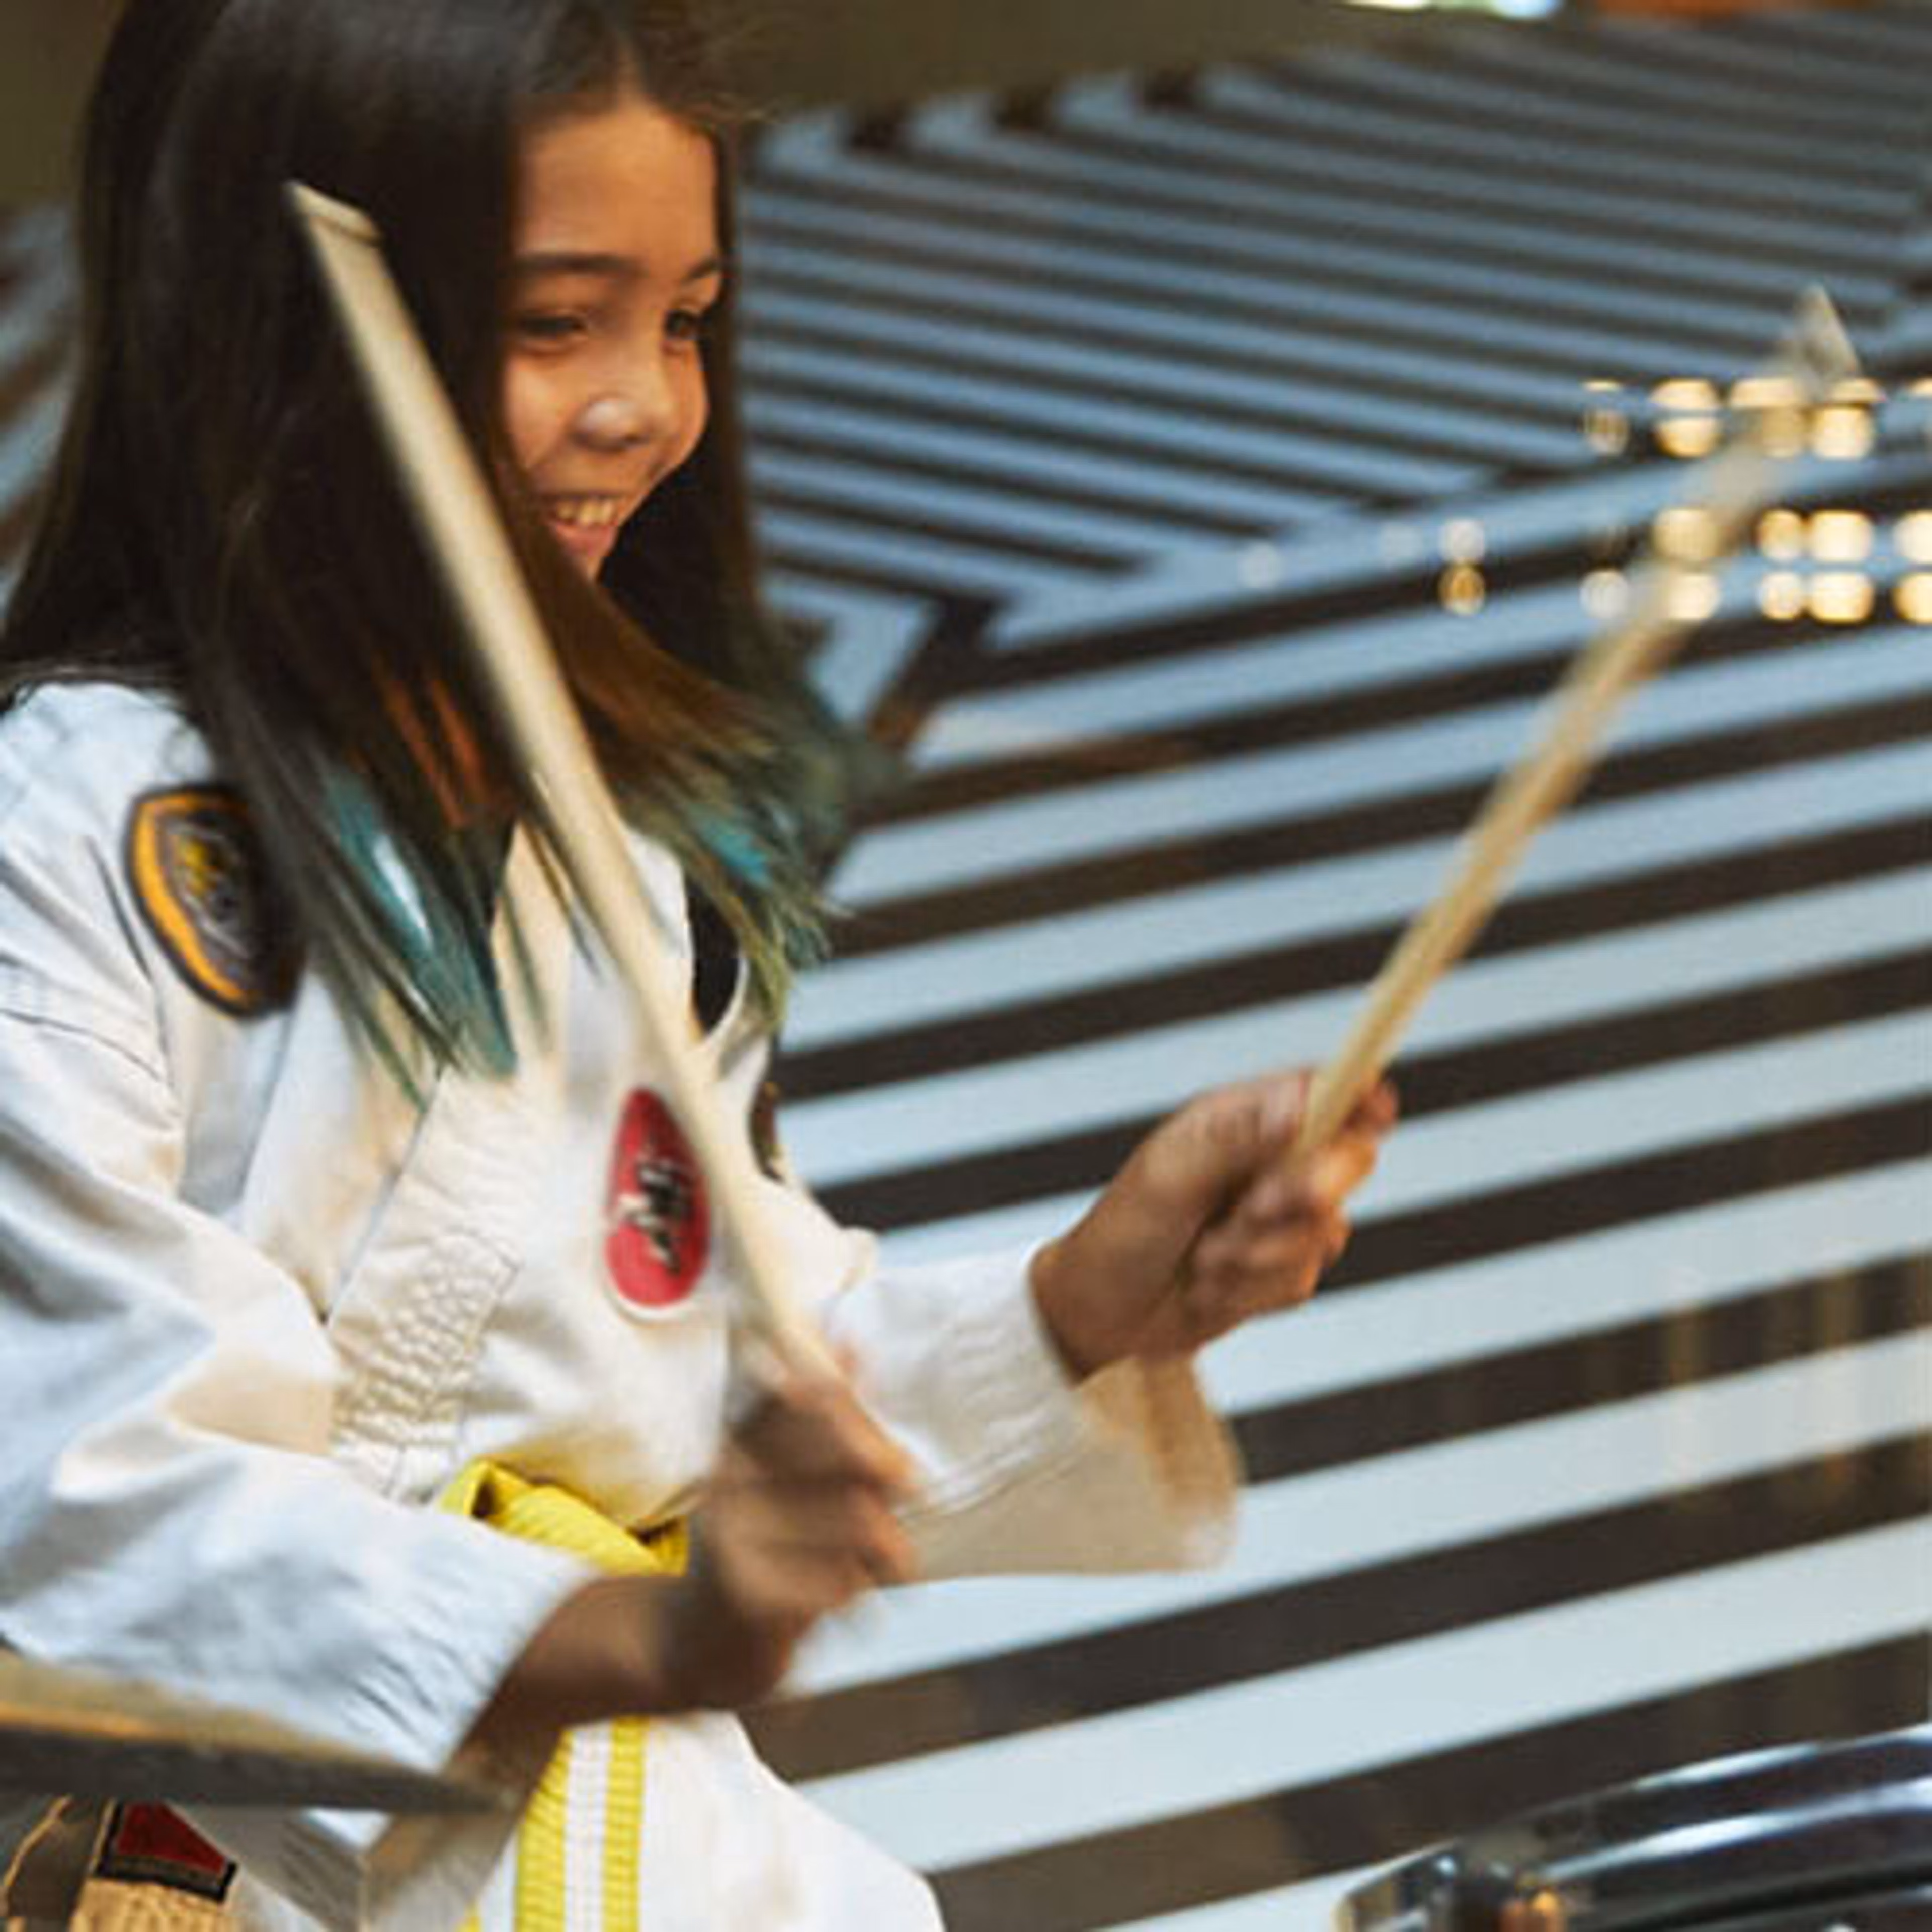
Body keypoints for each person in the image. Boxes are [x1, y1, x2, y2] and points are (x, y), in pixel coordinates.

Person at [0, 1, 1394, 1926]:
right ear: (281, 331)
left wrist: (1089, 1301)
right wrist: (642, 1637)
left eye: (684, 316)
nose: (644, 403)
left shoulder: (617, 855)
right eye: (557, 319)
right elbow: (76, 1506)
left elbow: (725, 1359)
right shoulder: (68, 834)